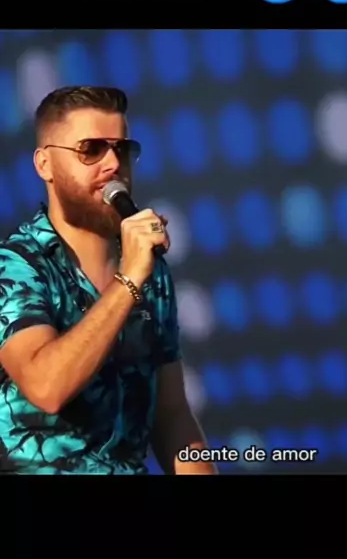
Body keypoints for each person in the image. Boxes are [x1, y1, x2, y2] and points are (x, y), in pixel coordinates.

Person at [0, 85, 217, 475]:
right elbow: (47, 387)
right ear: (44, 165)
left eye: (122, 149)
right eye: (91, 149)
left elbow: (171, 416)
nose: (113, 163)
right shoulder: (16, 265)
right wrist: (128, 280)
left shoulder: (151, 270)